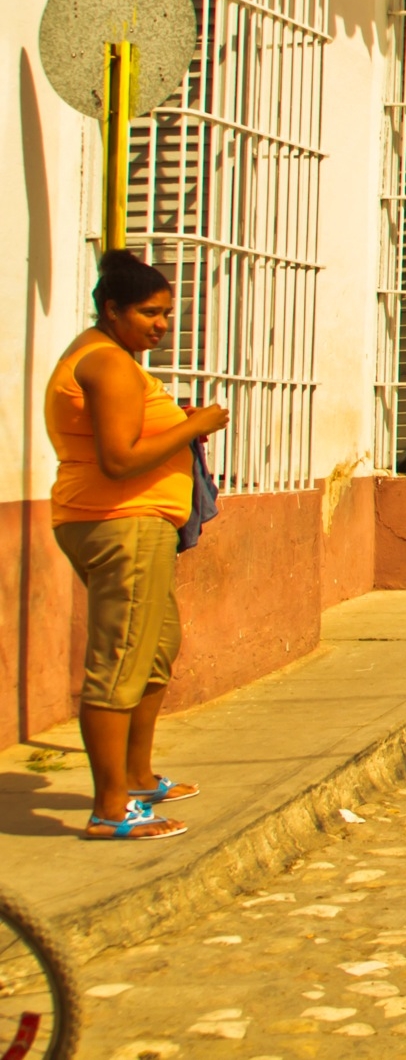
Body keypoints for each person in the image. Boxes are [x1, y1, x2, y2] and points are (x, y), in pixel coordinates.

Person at [47, 250, 225, 841]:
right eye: (149, 313)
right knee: (121, 658)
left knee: (153, 649)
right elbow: (118, 459)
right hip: (120, 519)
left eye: (168, 313)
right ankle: (111, 807)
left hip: (135, 521)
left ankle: (137, 775)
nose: (162, 324)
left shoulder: (112, 359)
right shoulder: (106, 365)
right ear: (111, 308)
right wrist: (194, 427)